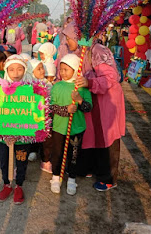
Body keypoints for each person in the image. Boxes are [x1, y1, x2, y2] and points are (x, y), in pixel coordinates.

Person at [75, 42, 125, 191]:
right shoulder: (81, 50)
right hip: (93, 98)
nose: (66, 41)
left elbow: (111, 77)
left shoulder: (97, 50)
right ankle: (91, 168)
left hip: (107, 100)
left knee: (107, 136)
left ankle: (108, 178)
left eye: (68, 38)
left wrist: (89, 82)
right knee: (91, 133)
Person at [48, 54, 92, 195]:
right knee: (57, 153)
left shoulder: (81, 88)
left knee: (73, 154)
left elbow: (88, 108)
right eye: (61, 69)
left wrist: (79, 100)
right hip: (59, 128)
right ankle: (56, 177)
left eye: (66, 69)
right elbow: (51, 107)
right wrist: (65, 110)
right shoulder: (56, 86)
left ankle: (72, 178)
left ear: (75, 70)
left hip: (76, 128)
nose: (62, 73)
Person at [0, 55, 32, 205]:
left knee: (21, 160)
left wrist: (19, 133)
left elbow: (34, 114)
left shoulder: (31, 90)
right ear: (6, 71)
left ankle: (19, 186)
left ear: (25, 70)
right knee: (4, 161)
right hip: (3, 137)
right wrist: (4, 134)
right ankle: (7, 184)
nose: (16, 73)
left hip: (23, 136)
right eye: (11, 70)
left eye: (19, 69)